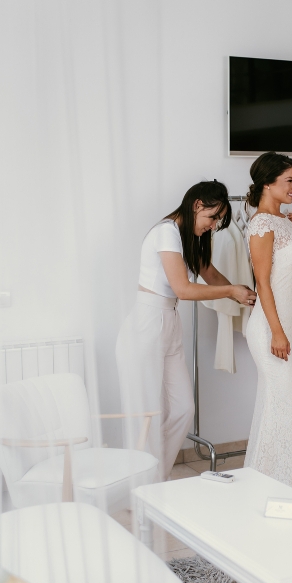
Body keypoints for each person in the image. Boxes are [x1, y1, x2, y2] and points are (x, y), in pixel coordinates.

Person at [116, 180, 256, 480]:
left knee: (181, 409)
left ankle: (153, 479)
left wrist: (246, 293)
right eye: (213, 217)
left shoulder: (187, 238)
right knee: (146, 416)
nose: (213, 225)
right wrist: (230, 292)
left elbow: (211, 274)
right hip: (147, 324)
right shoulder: (166, 232)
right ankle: (140, 488)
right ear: (197, 205)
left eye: (218, 221)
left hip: (169, 322)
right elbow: (183, 288)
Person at [244, 153, 292, 494]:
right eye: (289, 180)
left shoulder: (285, 220)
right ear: (268, 183)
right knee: (283, 404)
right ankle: (276, 487)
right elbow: (263, 283)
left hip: (285, 326)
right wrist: (276, 332)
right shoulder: (261, 225)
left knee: (280, 404)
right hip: (271, 328)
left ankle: (275, 483)